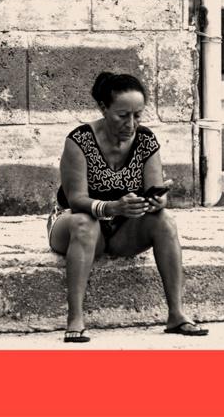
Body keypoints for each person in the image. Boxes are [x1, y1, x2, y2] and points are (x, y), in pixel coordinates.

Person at [47, 71, 208, 342]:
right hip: (75, 224)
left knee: (165, 220)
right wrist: (112, 208)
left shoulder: (146, 142)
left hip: (122, 229)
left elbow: (155, 192)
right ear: (103, 108)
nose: (131, 123)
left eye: (138, 115)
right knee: (85, 222)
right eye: (122, 116)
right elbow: (76, 200)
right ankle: (75, 317)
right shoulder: (79, 141)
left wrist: (157, 201)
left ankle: (176, 314)